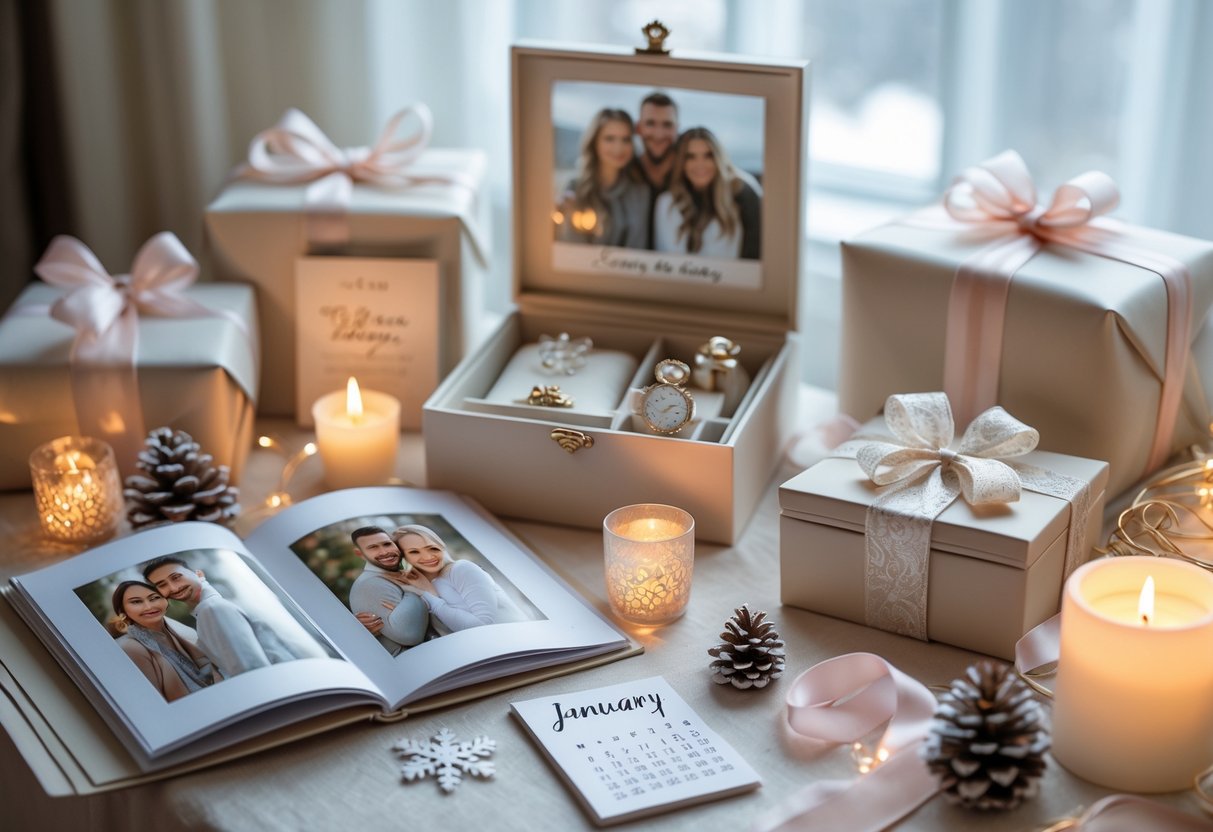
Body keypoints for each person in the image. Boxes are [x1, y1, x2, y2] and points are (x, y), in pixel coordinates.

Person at [143, 556, 312, 678]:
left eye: (176, 577)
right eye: (162, 585)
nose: (173, 588)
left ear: (199, 574)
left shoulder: (213, 609)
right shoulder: (207, 610)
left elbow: (250, 669)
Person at [379, 524, 525, 633]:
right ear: (404, 557)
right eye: (414, 552)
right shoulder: (420, 584)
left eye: (432, 548)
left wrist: (428, 595)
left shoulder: (462, 569)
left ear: (441, 546)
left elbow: (482, 627)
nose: (428, 557)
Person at [653, 127, 762, 260]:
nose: (700, 164)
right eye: (690, 157)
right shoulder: (666, 203)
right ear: (682, 163)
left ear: (718, 159)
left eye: (708, 156)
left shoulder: (738, 198)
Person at [555, 108, 651, 249]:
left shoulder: (640, 192)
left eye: (626, 139)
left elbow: (639, 245)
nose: (618, 148)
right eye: (609, 139)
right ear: (595, 142)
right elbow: (569, 244)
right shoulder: (575, 188)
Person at [110, 580, 216, 701]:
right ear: (122, 611)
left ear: (166, 600)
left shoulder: (178, 630)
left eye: (154, 598)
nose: (149, 606)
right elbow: (152, 700)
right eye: (136, 602)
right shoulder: (130, 648)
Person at [347, 525, 430, 656]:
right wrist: (413, 594)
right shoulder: (371, 584)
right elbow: (410, 636)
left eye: (387, 544)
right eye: (373, 547)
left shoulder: (408, 571)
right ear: (360, 554)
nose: (384, 552)